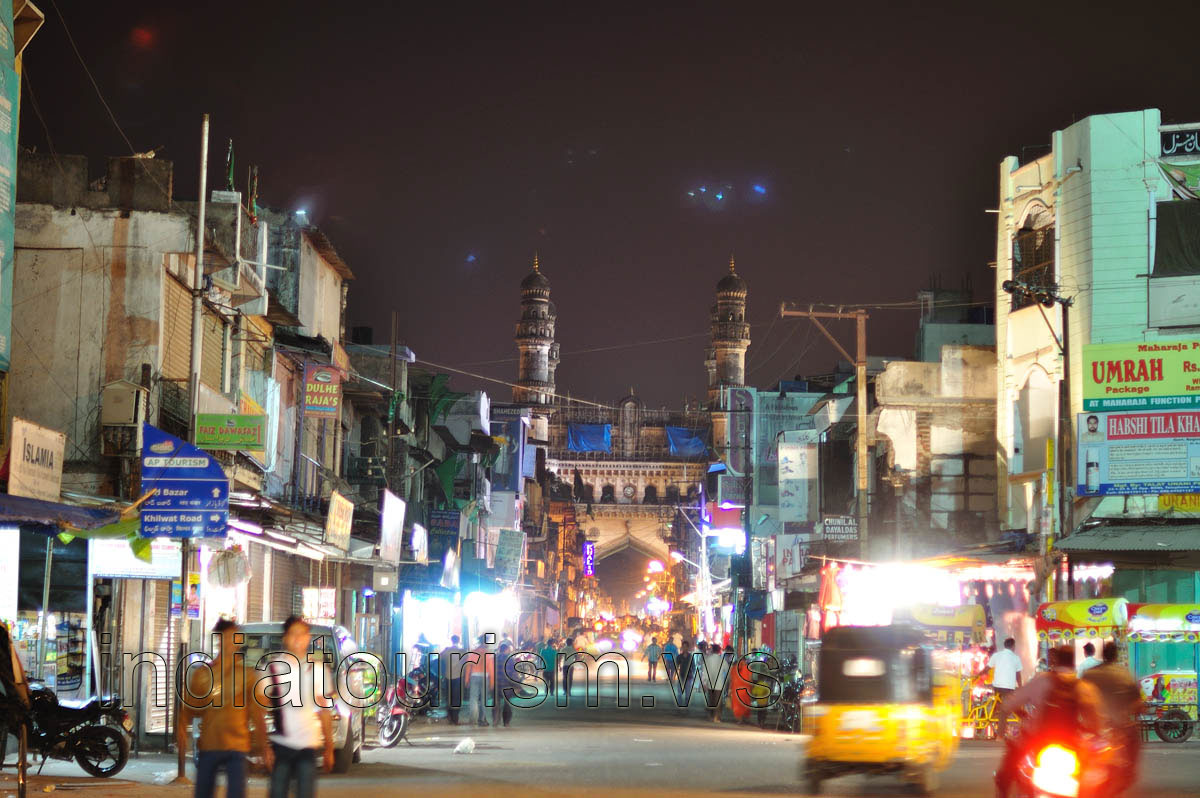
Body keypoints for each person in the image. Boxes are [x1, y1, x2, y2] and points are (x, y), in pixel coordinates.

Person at [178, 619, 272, 798]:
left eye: (234, 637)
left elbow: (257, 713)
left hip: (237, 747)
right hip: (210, 745)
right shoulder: (204, 674)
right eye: (227, 637)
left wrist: (263, 745)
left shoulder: (247, 675)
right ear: (219, 640)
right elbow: (190, 707)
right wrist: (182, 730)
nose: (231, 641)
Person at [994, 646, 1104, 798]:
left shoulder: (1041, 680)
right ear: (1073, 663)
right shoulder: (1084, 688)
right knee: (1095, 779)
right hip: (1072, 745)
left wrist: (1016, 721)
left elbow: (1007, 705)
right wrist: (1093, 734)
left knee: (1004, 775)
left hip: (1036, 741)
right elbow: (1096, 722)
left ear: (1056, 661)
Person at [264, 616, 335, 798]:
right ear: (285, 638)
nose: (297, 639)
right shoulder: (272, 668)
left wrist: (329, 747)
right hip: (281, 747)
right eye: (293, 634)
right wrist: (264, 746)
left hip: (307, 747)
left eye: (302, 634)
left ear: (308, 637)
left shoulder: (318, 670)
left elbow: (324, 711)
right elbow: (259, 708)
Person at [1082, 641, 1143, 793]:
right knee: (1134, 740)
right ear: (1116, 656)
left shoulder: (1089, 674)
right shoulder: (1124, 674)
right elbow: (1138, 703)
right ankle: (1129, 772)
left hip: (1092, 730)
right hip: (1118, 729)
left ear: (1102, 655)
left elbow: (1078, 698)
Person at [988, 637, 1024, 739]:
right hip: (1008, 688)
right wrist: (1021, 687)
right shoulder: (1016, 658)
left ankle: (997, 716)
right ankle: (1000, 734)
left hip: (997, 688)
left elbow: (987, 668)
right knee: (1008, 709)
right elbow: (1018, 675)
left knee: (1001, 707)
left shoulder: (996, 655)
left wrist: (977, 676)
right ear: (1013, 646)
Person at [463, 636, 494, 726]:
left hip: (474, 676)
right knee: (484, 700)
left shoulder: (473, 653)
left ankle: (473, 719)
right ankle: (482, 719)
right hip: (485, 677)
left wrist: (466, 680)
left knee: (473, 698)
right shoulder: (488, 654)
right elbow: (491, 669)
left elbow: (468, 666)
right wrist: (492, 681)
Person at [441, 635, 465, 724]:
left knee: (449, 697)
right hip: (458, 677)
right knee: (457, 698)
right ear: (458, 641)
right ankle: (455, 718)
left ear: (451, 640)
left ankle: (450, 717)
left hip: (448, 677)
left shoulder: (447, 651)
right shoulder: (462, 651)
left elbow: (440, 657)